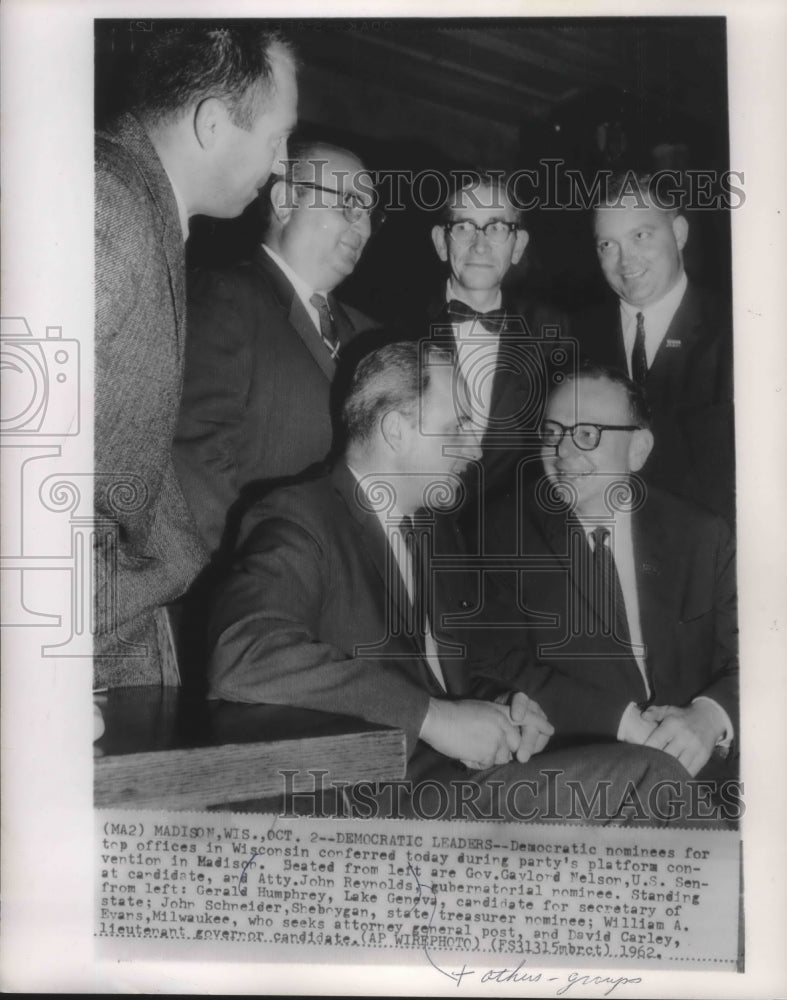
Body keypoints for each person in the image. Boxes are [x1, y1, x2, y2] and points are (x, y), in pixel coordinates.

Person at [208, 342, 693, 824]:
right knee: (652, 778)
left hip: (455, 784)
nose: (475, 450)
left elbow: (448, 670)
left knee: (656, 778)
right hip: (372, 800)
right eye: (457, 427)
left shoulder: (435, 531)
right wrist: (434, 719)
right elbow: (244, 653)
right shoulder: (301, 517)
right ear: (396, 431)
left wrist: (504, 706)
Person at [94, 25, 297, 687]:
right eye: (277, 139)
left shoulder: (138, 203)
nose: (281, 165)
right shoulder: (104, 205)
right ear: (212, 125)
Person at [483, 365, 738, 780]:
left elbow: (756, 658)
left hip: (707, 773)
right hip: (580, 776)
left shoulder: (702, 534)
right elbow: (497, 664)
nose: (563, 452)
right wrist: (623, 723)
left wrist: (709, 717)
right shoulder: (500, 534)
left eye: (587, 434)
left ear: (638, 449)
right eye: (552, 433)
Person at [173, 139, 379, 558]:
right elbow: (196, 458)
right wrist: (254, 576)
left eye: (369, 211)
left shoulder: (369, 337)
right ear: (286, 202)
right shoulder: (223, 297)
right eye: (349, 203)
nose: (364, 226)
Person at [573, 172, 734, 521]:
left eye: (640, 236)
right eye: (607, 245)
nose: (625, 261)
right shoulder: (573, 336)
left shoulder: (736, 330)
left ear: (679, 233)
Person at [420, 174, 571, 546]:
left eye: (497, 228)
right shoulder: (395, 328)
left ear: (518, 246)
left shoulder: (552, 331)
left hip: (514, 544)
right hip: (418, 540)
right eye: (464, 227)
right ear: (441, 242)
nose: (480, 245)